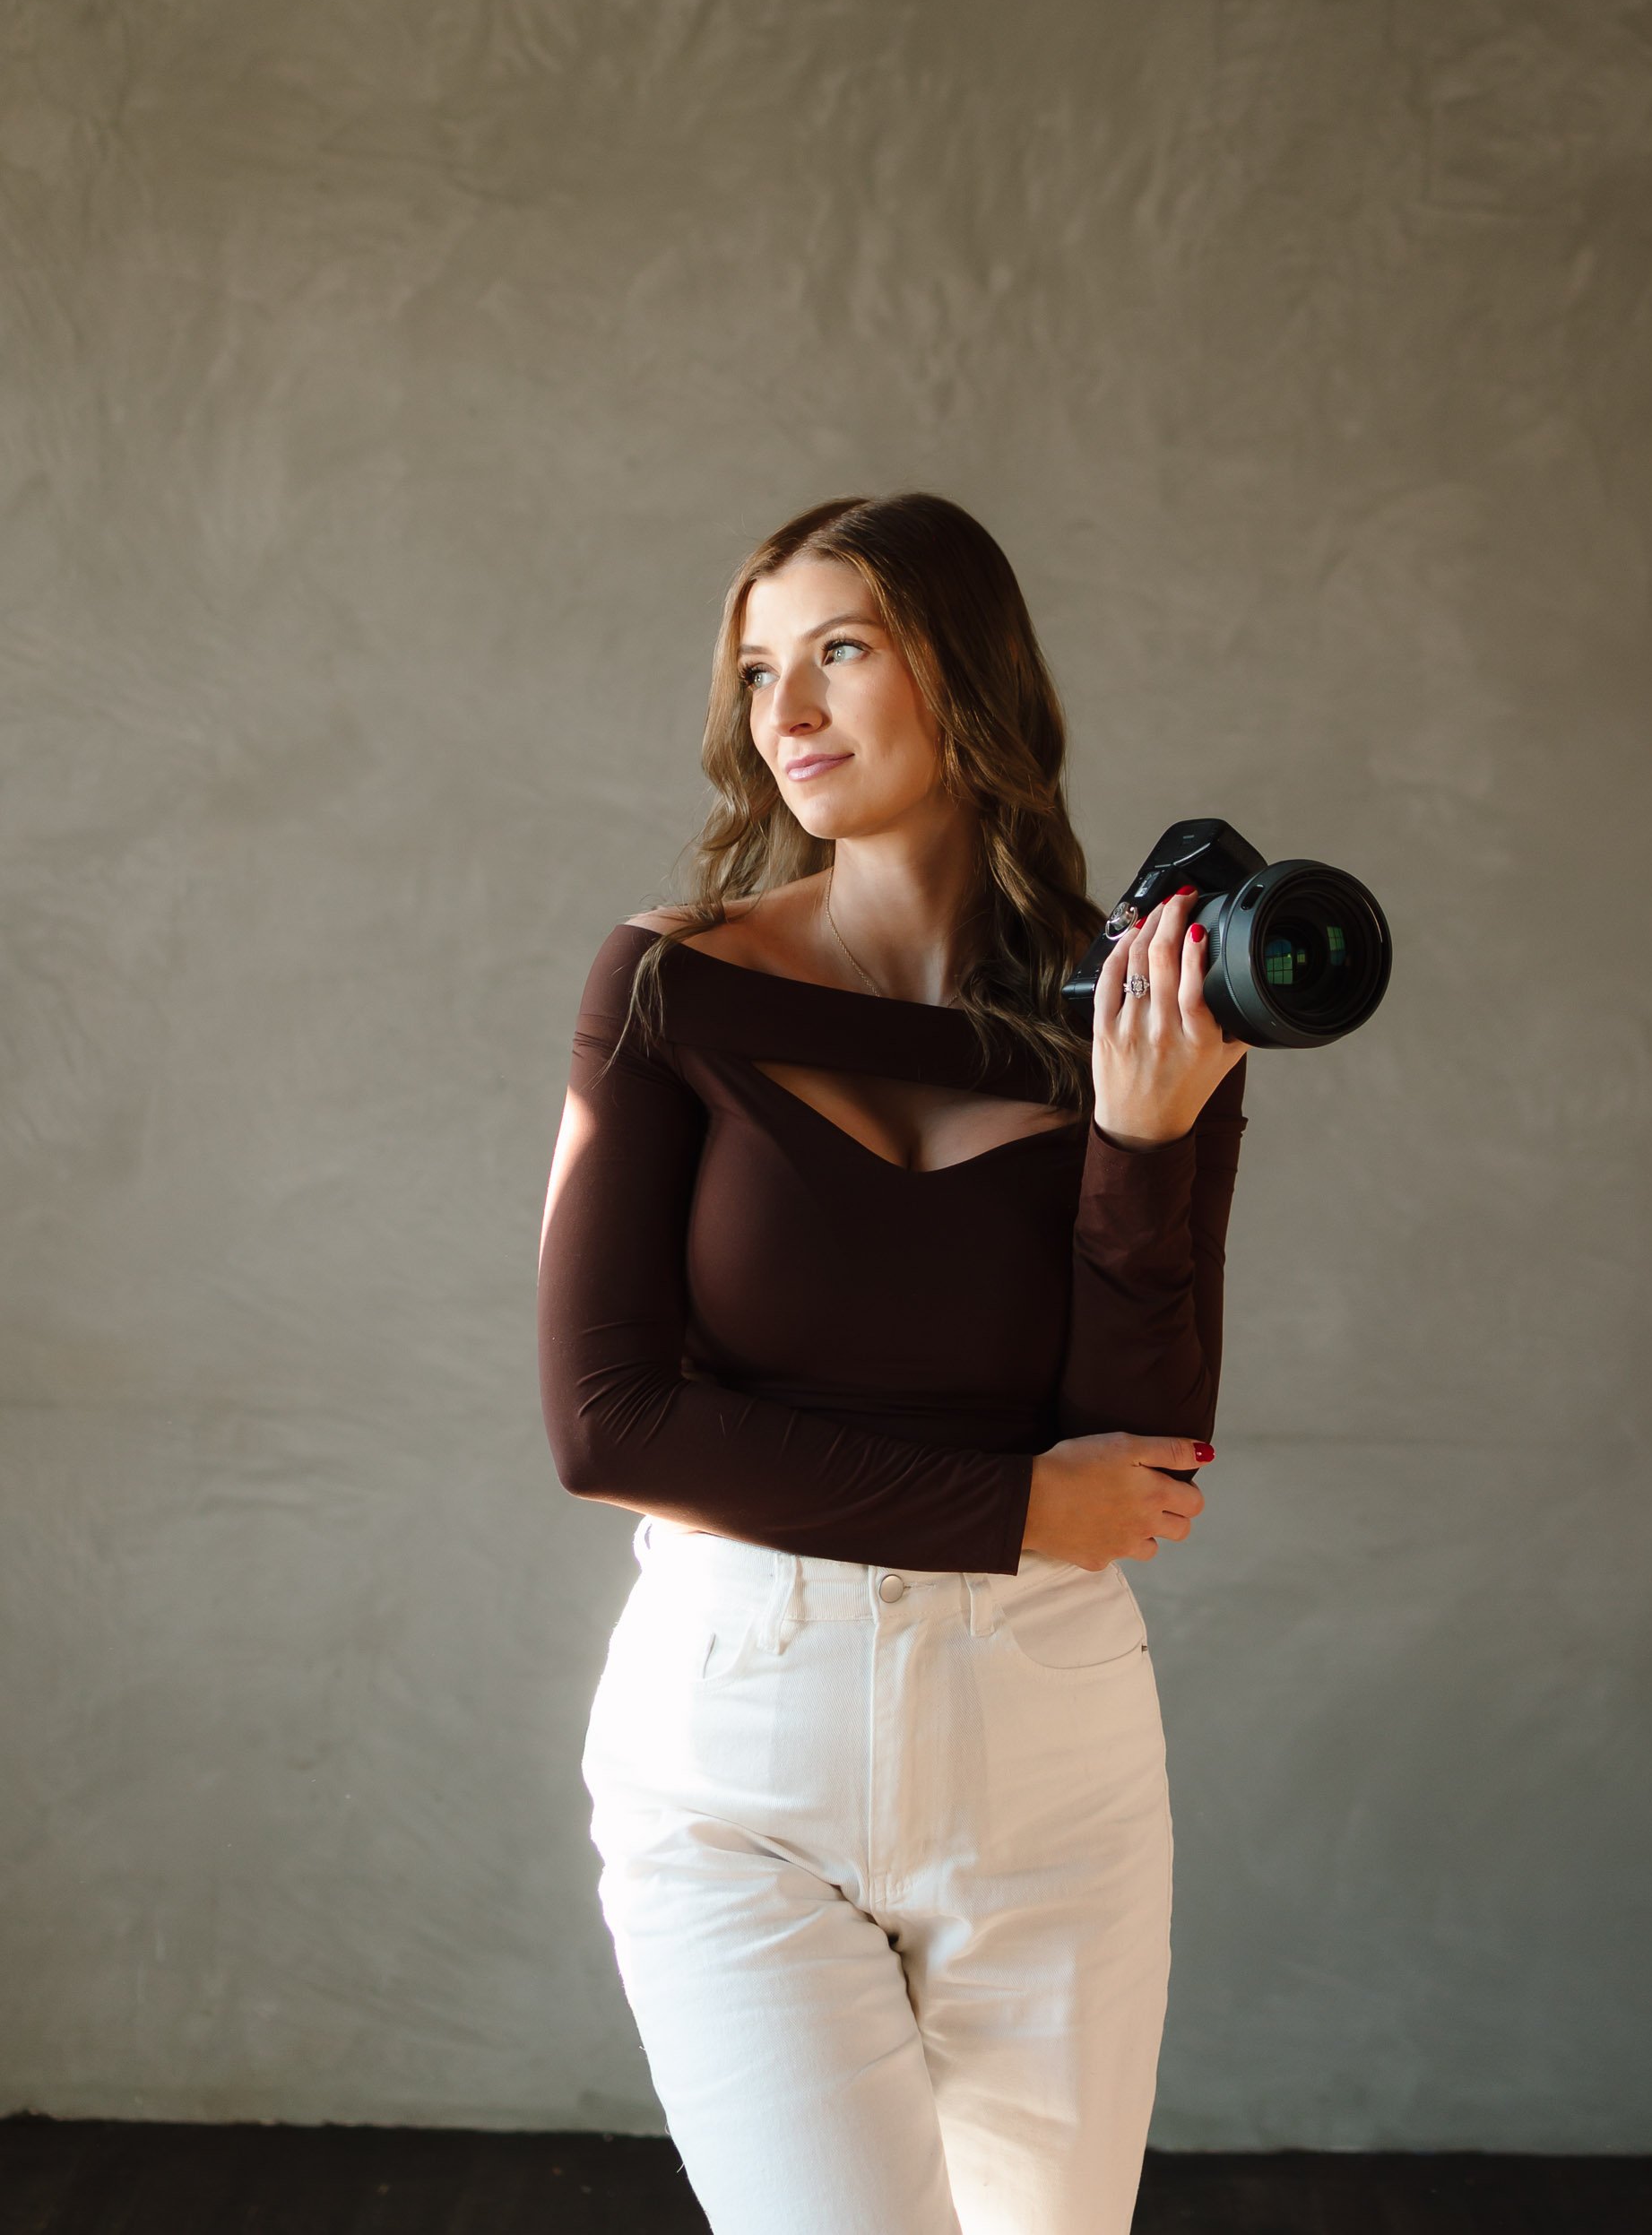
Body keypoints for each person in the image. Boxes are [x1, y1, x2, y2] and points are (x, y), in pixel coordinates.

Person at [536, 490, 1250, 2235]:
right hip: (738, 1756)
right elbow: (606, 1424)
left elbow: (1137, 1460)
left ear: (968, 673)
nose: (785, 711)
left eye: (840, 652)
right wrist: (1011, 1508)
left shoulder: (1141, 1012)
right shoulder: (668, 988)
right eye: (757, 669)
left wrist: (1143, 1138)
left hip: (1052, 1757)